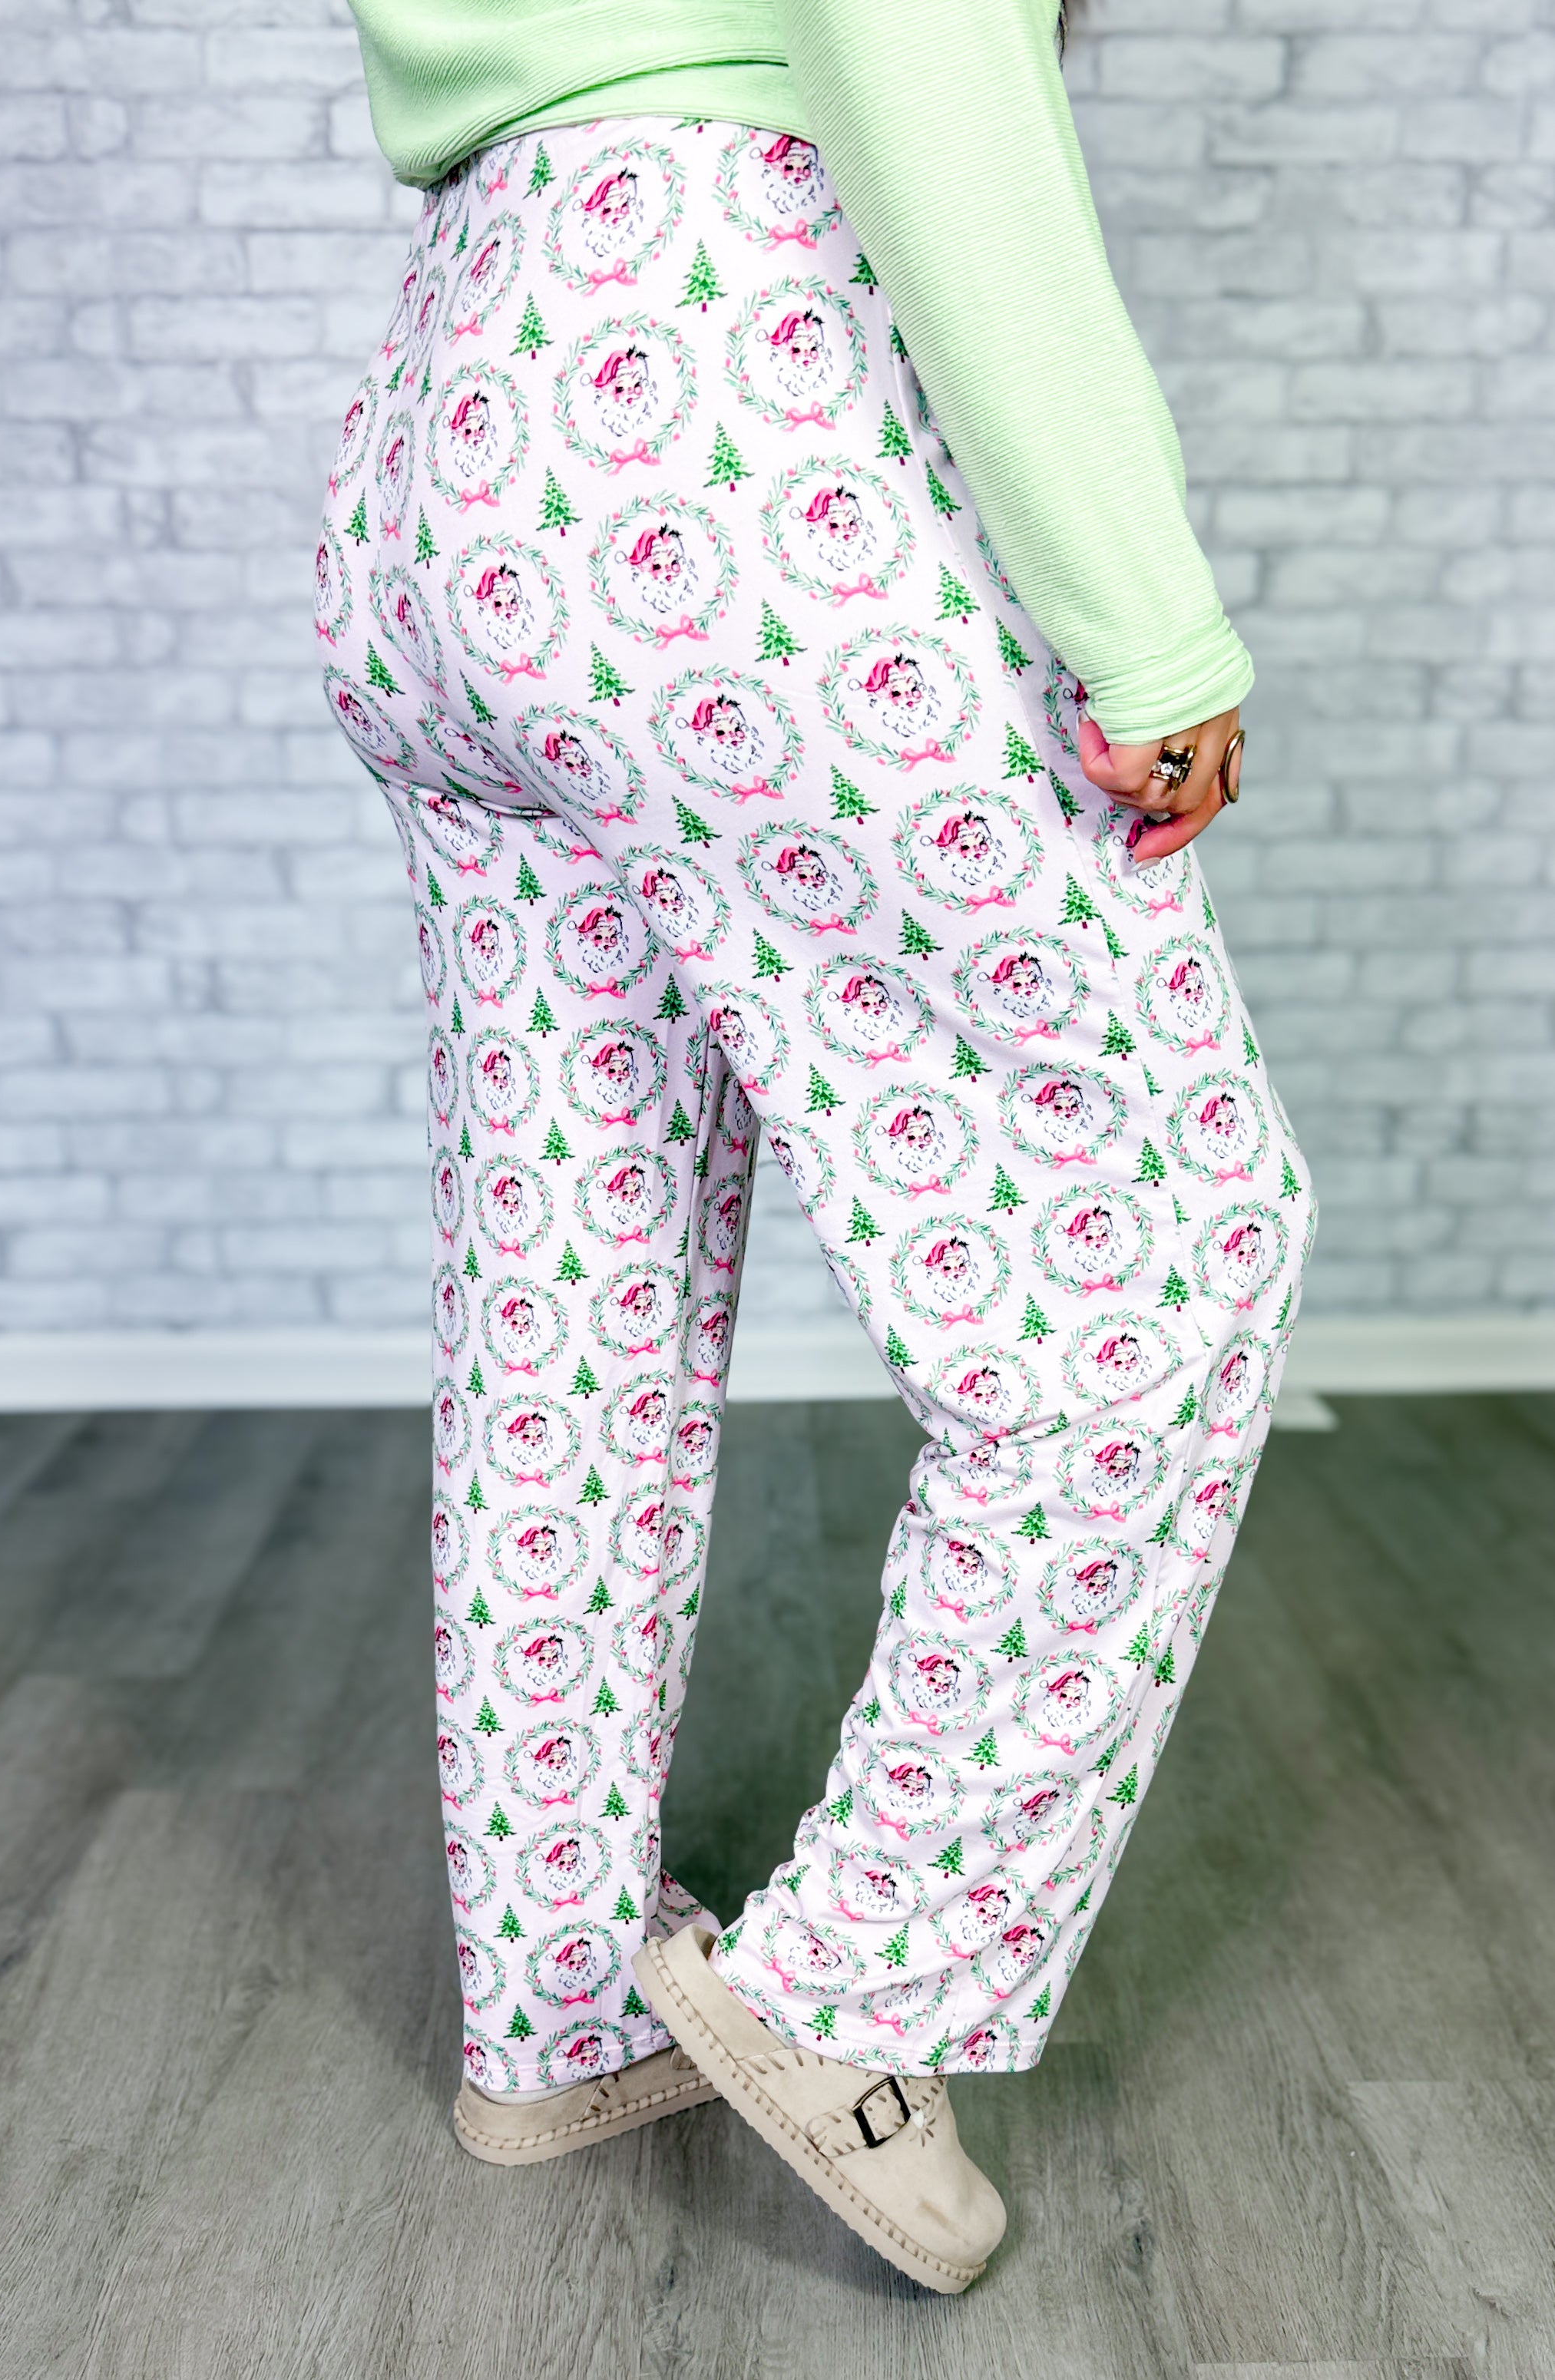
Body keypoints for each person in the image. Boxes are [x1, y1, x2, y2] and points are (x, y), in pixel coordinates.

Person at [321, 0, 1312, 2293]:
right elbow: (924, 60)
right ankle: (850, 1983)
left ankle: (560, 2009)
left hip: (455, 416)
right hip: (729, 389)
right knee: (1161, 1250)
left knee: (574, 1291)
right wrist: (1144, 612)